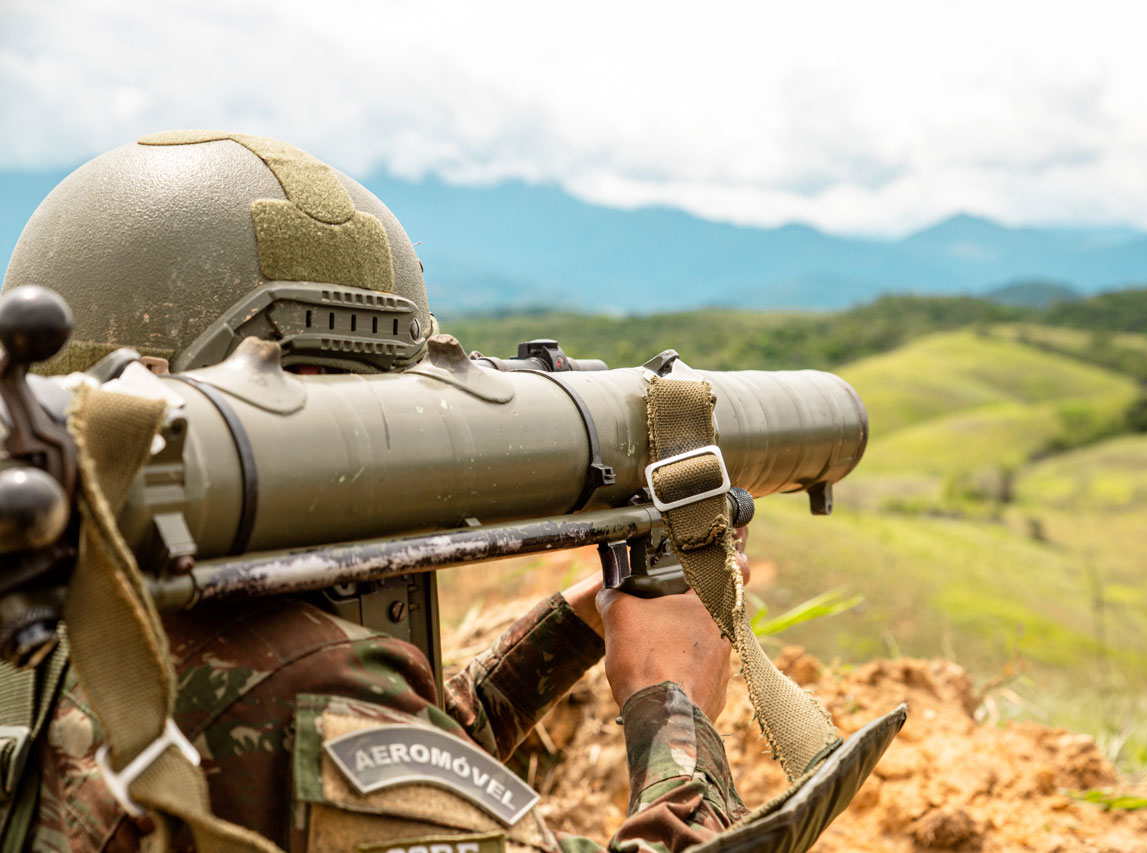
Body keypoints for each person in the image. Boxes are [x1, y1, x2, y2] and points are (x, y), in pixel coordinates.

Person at [0, 132, 751, 853]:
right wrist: (673, 698)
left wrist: (571, 625)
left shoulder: (61, 603)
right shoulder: (286, 681)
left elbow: (321, 777)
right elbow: (300, 723)